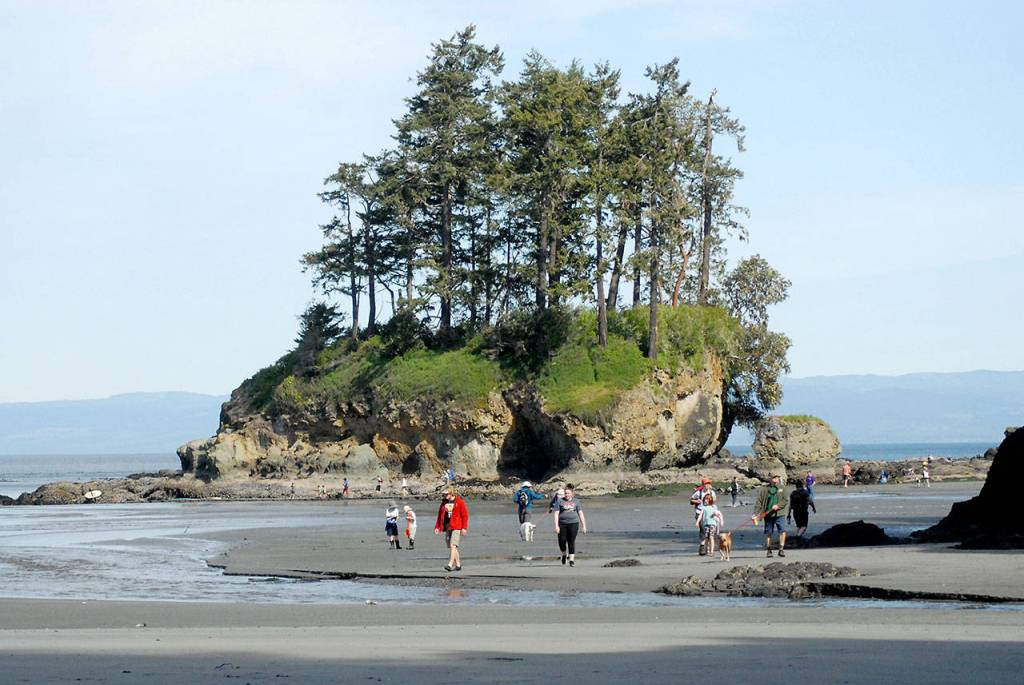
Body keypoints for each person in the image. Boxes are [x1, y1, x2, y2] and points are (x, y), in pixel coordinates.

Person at [753, 474, 789, 557]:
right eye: (774, 477)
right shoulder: (764, 489)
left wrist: (778, 506)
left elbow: (785, 500)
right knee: (769, 532)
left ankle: (781, 549)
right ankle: (769, 550)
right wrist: (755, 514)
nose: (776, 479)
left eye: (777, 477)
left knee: (782, 531)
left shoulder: (783, 488)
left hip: (780, 513)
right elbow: (759, 502)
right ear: (770, 478)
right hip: (768, 514)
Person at [434, 488, 468, 572]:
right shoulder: (444, 503)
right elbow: (440, 515)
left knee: (453, 545)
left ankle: (450, 564)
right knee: (452, 546)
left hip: (457, 526)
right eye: (443, 495)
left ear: (451, 494)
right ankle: (458, 565)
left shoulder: (460, 502)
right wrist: (437, 527)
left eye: (446, 494)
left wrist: (464, 528)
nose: (444, 496)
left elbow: (465, 516)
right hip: (447, 526)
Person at [554, 484, 587, 567]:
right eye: (565, 493)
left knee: (571, 541)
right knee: (562, 540)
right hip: (562, 523)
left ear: (572, 493)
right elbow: (556, 513)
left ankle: (571, 560)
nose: (567, 495)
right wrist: (556, 526)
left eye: (568, 493)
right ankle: (564, 554)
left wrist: (584, 526)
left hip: (574, 523)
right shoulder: (560, 501)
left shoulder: (576, 501)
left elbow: (580, 513)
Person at [689, 478, 716, 555]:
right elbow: (691, 500)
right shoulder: (698, 492)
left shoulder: (712, 492)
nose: (707, 485)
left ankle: (708, 548)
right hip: (699, 512)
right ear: (703, 485)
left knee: (708, 531)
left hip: (708, 514)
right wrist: (696, 501)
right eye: (706, 484)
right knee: (703, 529)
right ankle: (702, 547)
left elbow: (714, 502)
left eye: (709, 483)